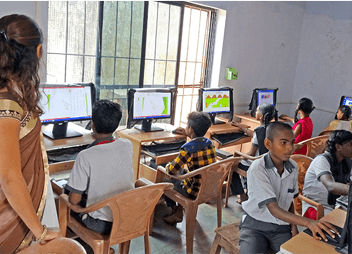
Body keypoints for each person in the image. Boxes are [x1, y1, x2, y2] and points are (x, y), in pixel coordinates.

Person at [0, 14, 61, 253]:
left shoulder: (11, 93)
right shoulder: (7, 105)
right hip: (7, 217)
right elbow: (9, 176)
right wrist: (41, 232)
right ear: (37, 52)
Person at [239, 122, 337, 254]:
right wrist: (308, 222)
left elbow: (290, 200)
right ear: (268, 144)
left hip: (281, 226)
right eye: (283, 143)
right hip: (255, 226)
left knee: (293, 251)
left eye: (292, 142)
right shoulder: (258, 168)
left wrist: (294, 227)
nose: (290, 148)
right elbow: (273, 209)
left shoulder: (292, 167)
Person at [65, 100, 134, 236]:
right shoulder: (127, 144)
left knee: (65, 195)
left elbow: (74, 200)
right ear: (117, 125)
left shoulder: (85, 155)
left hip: (101, 224)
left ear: (92, 125)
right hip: (127, 219)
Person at [162, 111, 216, 224]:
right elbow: (197, 143)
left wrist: (166, 166)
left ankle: (176, 211)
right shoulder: (209, 143)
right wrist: (189, 135)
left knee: (165, 176)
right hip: (207, 188)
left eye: (187, 126)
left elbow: (171, 170)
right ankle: (178, 211)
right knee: (182, 171)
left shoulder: (187, 149)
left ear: (190, 129)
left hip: (192, 191)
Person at [231, 102, 277, 203]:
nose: (255, 112)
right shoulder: (276, 127)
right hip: (273, 164)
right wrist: (241, 127)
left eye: (257, 111)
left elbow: (251, 153)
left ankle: (243, 195)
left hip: (259, 164)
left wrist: (238, 157)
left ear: (260, 116)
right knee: (241, 161)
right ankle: (248, 191)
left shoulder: (259, 130)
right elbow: (256, 134)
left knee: (232, 165)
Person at [302, 130, 352, 219]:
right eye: (350, 144)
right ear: (338, 147)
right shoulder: (321, 160)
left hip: (334, 205)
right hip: (315, 207)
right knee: (343, 225)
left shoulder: (346, 162)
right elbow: (330, 186)